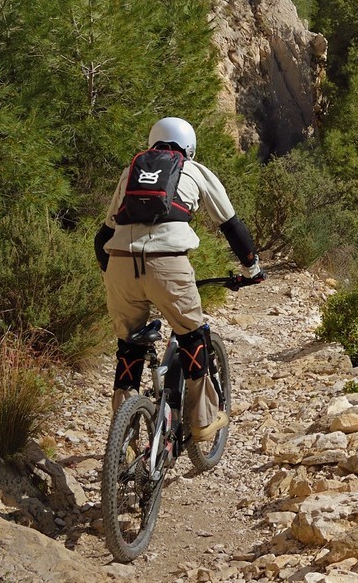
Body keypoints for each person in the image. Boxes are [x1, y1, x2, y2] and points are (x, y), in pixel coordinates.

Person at [93, 117, 262, 441]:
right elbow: (232, 226)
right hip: (168, 266)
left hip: (120, 265)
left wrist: (112, 275)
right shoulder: (195, 171)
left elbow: (102, 238)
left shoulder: (131, 172)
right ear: (189, 147)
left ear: (153, 142)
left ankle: (124, 439)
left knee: (129, 346)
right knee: (191, 336)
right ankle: (201, 421)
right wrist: (251, 269)